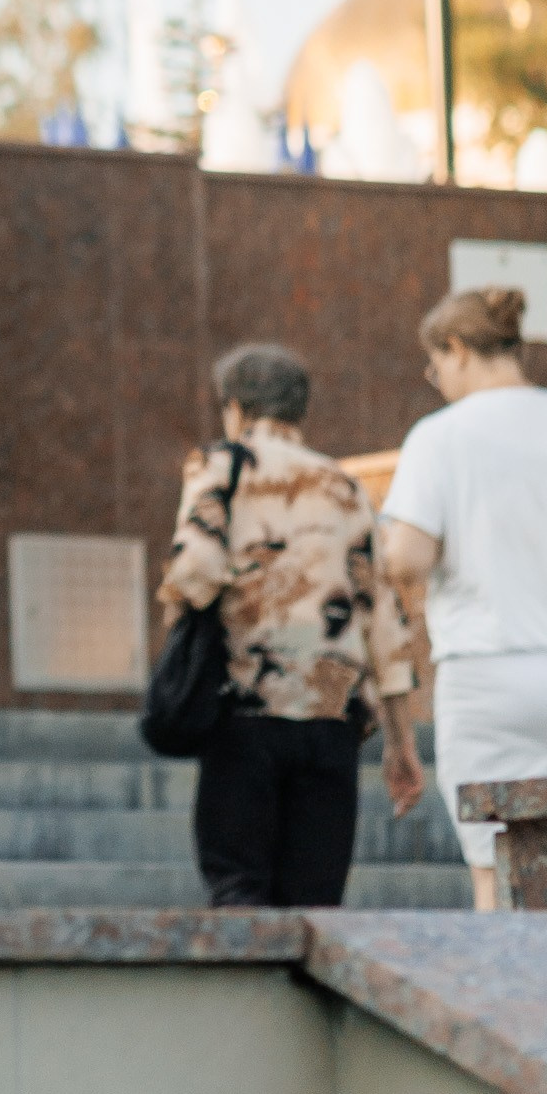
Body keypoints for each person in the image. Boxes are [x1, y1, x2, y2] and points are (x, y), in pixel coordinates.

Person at [378, 285, 547, 910]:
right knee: (546, 848)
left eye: (436, 362)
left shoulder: (439, 437)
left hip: (494, 675)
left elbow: (406, 559)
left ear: (457, 350)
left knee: (494, 868)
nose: (435, 377)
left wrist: (391, 544)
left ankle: (512, 1002)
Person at [160, 341, 423, 910]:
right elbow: (383, 615)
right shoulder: (345, 485)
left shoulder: (221, 464)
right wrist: (402, 740)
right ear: (300, 411)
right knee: (315, 904)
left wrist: (180, 635)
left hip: (246, 710)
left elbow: (194, 568)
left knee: (240, 891)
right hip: (331, 722)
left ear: (234, 407)